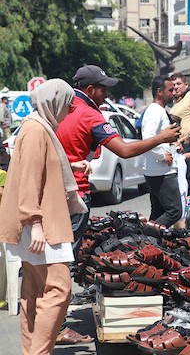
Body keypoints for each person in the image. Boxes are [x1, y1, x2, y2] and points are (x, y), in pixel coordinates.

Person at [0, 79, 91, 355]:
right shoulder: (37, 130)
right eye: (68, 104)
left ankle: (33, 351)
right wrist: (35, 223)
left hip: (37, 222)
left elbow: (39, 166)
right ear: (55, 102)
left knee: (33, 292)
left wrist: (72, 164)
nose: (69, 110)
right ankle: (39, 351)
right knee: (59, 290)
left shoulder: (38, 127)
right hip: (41, 224)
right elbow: (28, 177)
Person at [56, 65, 180, 259]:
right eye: (103, 90)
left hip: (52, 189)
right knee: (67, 255)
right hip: (76, 191)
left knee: (52, 250)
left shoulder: (59, 108)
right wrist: (161, 138)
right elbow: (124, 150)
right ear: (90, 90)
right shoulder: (90, 115)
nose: (105, 96)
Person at [141, 76, 182, 227]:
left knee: (158, 212)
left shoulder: (160, 111)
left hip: (159, 170)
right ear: (159, 92)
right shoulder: (154, 111)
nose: (173, 93)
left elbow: (162, 136)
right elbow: (149, 137)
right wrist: (162, 155)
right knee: (174, 212)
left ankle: (149, 244)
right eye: (170, 90)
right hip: (161, 171)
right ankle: (144, 234)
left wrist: (175, 145)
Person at [169, 73, 190, 195]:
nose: (176, 87)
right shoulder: (176, 102)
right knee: (183, 179)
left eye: (179, 84)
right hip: (180, 145)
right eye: (173, 85)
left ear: (186, 85)